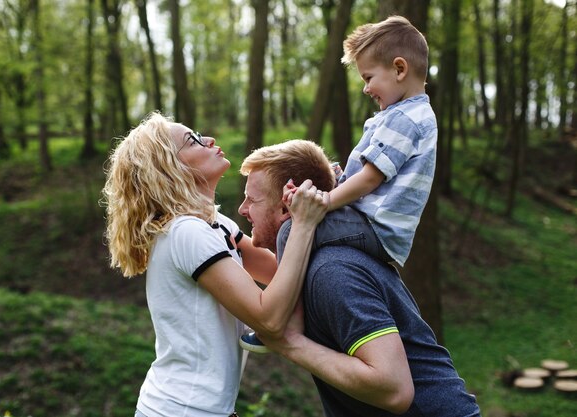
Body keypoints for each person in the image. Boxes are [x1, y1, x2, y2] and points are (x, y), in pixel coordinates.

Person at [101, 111, 328, 417]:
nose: (209, 139)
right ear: (171, 168)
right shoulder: (186, 233)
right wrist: (302, 224)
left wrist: (328, 195)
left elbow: (279, 272)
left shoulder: (212, 223)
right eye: (193, 141)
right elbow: (269, 318)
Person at [238, 139, 482, 417]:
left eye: (252, 199)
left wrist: (289, 343)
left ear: (286, 208)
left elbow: (394, 389)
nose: (242, 209)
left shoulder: (332, 271)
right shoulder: (308, 266)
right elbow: (253, 267)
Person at [240, 15, 438, 353]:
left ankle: (290, 316)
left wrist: (325, 201)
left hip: (374, 227)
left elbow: (372, 178)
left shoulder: (405, 118)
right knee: (299, 223)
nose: (365, 87)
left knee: (292, 229)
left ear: (400, 69)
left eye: (369, 77)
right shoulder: (404, 115)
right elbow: (368, 175)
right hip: (373, 223)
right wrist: (332, 182)